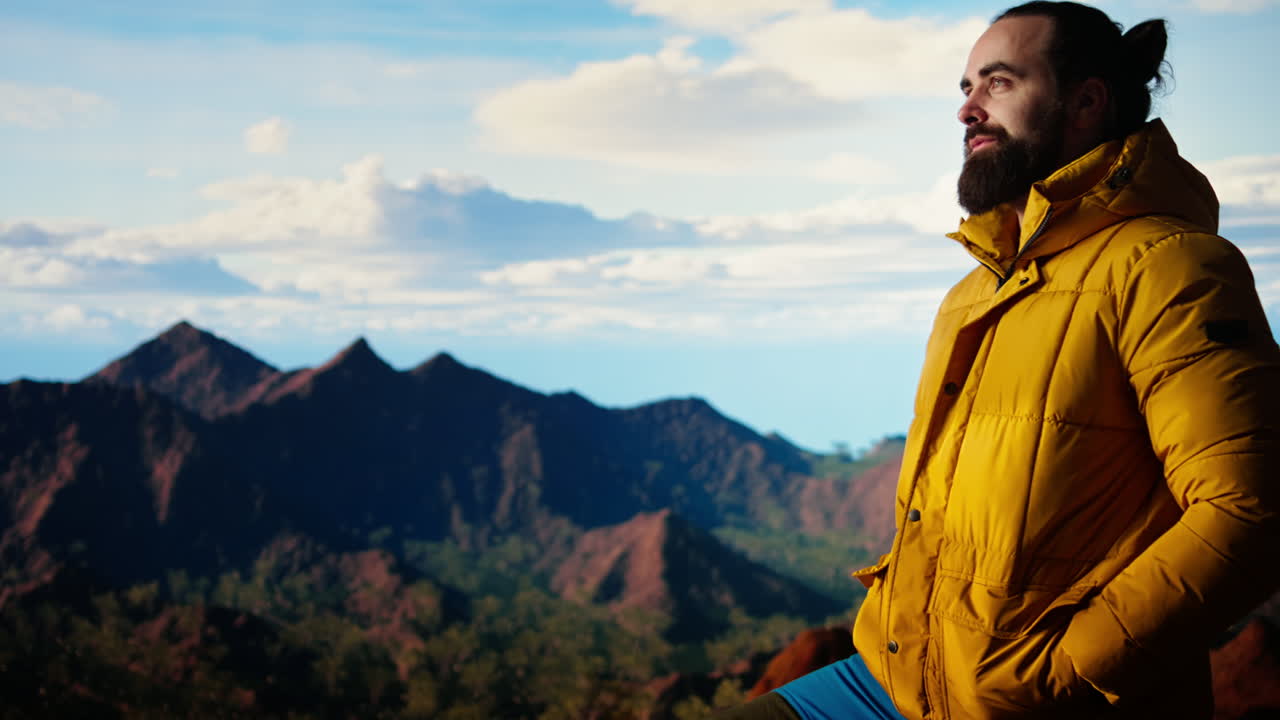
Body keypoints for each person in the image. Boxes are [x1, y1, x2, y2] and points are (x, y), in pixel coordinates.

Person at [716, 2, 1280, 719]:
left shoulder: (1167, 266)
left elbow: (1251, 511)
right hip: (895, 678)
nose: (967, 109)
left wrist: (1060, 672)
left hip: (1025, 699)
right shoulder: (972, 294)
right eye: (965, 87)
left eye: (999, 82)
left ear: (1087, 102)